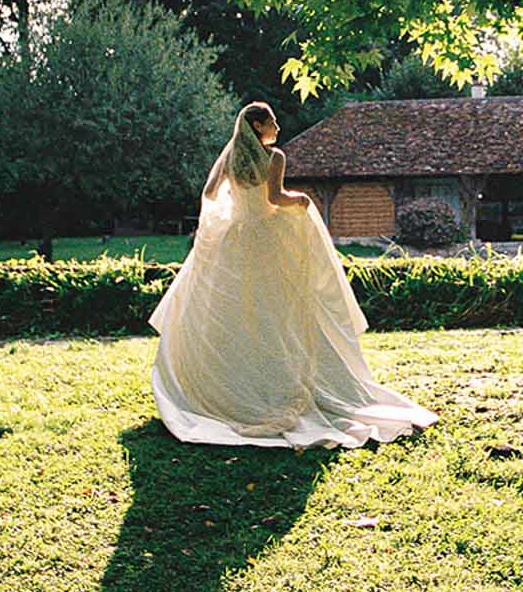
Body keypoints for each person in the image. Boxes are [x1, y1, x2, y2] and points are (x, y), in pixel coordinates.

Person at [148, 101, 437, 449]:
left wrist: (228, 215)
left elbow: (209, 194)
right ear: (258, 127)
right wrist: (300, 199)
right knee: (276, 310)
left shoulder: (229, 160)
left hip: (236, 239)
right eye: (272, 122)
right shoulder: (275, 159)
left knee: (237, 312)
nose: (278, 129)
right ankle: (278, 382)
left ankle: (235, 387)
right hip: (266, 239)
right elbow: (276, 197)